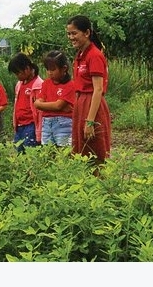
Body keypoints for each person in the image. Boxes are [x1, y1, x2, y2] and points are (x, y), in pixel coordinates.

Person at [66, 15, 112, 172]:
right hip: (80, 104)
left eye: (74, 33)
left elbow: (98, 89)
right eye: (69, 34)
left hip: (92, 105)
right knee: (81, 149)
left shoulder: (94, 55)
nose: (71, 37)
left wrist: (90, 121)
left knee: (95, 150)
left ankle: (101, 189)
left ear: (86, 33)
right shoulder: (79, 55)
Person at [34, 50, 75, 148]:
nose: (49, 72)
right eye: (47, 69)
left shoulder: (70, 85)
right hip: (46, 123)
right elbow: (36, 103)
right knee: (47, 152)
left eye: (52, 69)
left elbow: (58, 105)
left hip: (64, 124)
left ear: (64, 68)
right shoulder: (46, 84)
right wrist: (55, 106)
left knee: (64, 151)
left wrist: (44, 105)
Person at [8, 52, 43, 153]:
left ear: (27, 69)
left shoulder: (39, 85)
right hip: (19, 126)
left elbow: (40, 111)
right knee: (19, 153)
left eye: (18, 73)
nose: (17, 76)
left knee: (30, 154)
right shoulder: (19, 84)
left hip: (31, 125)